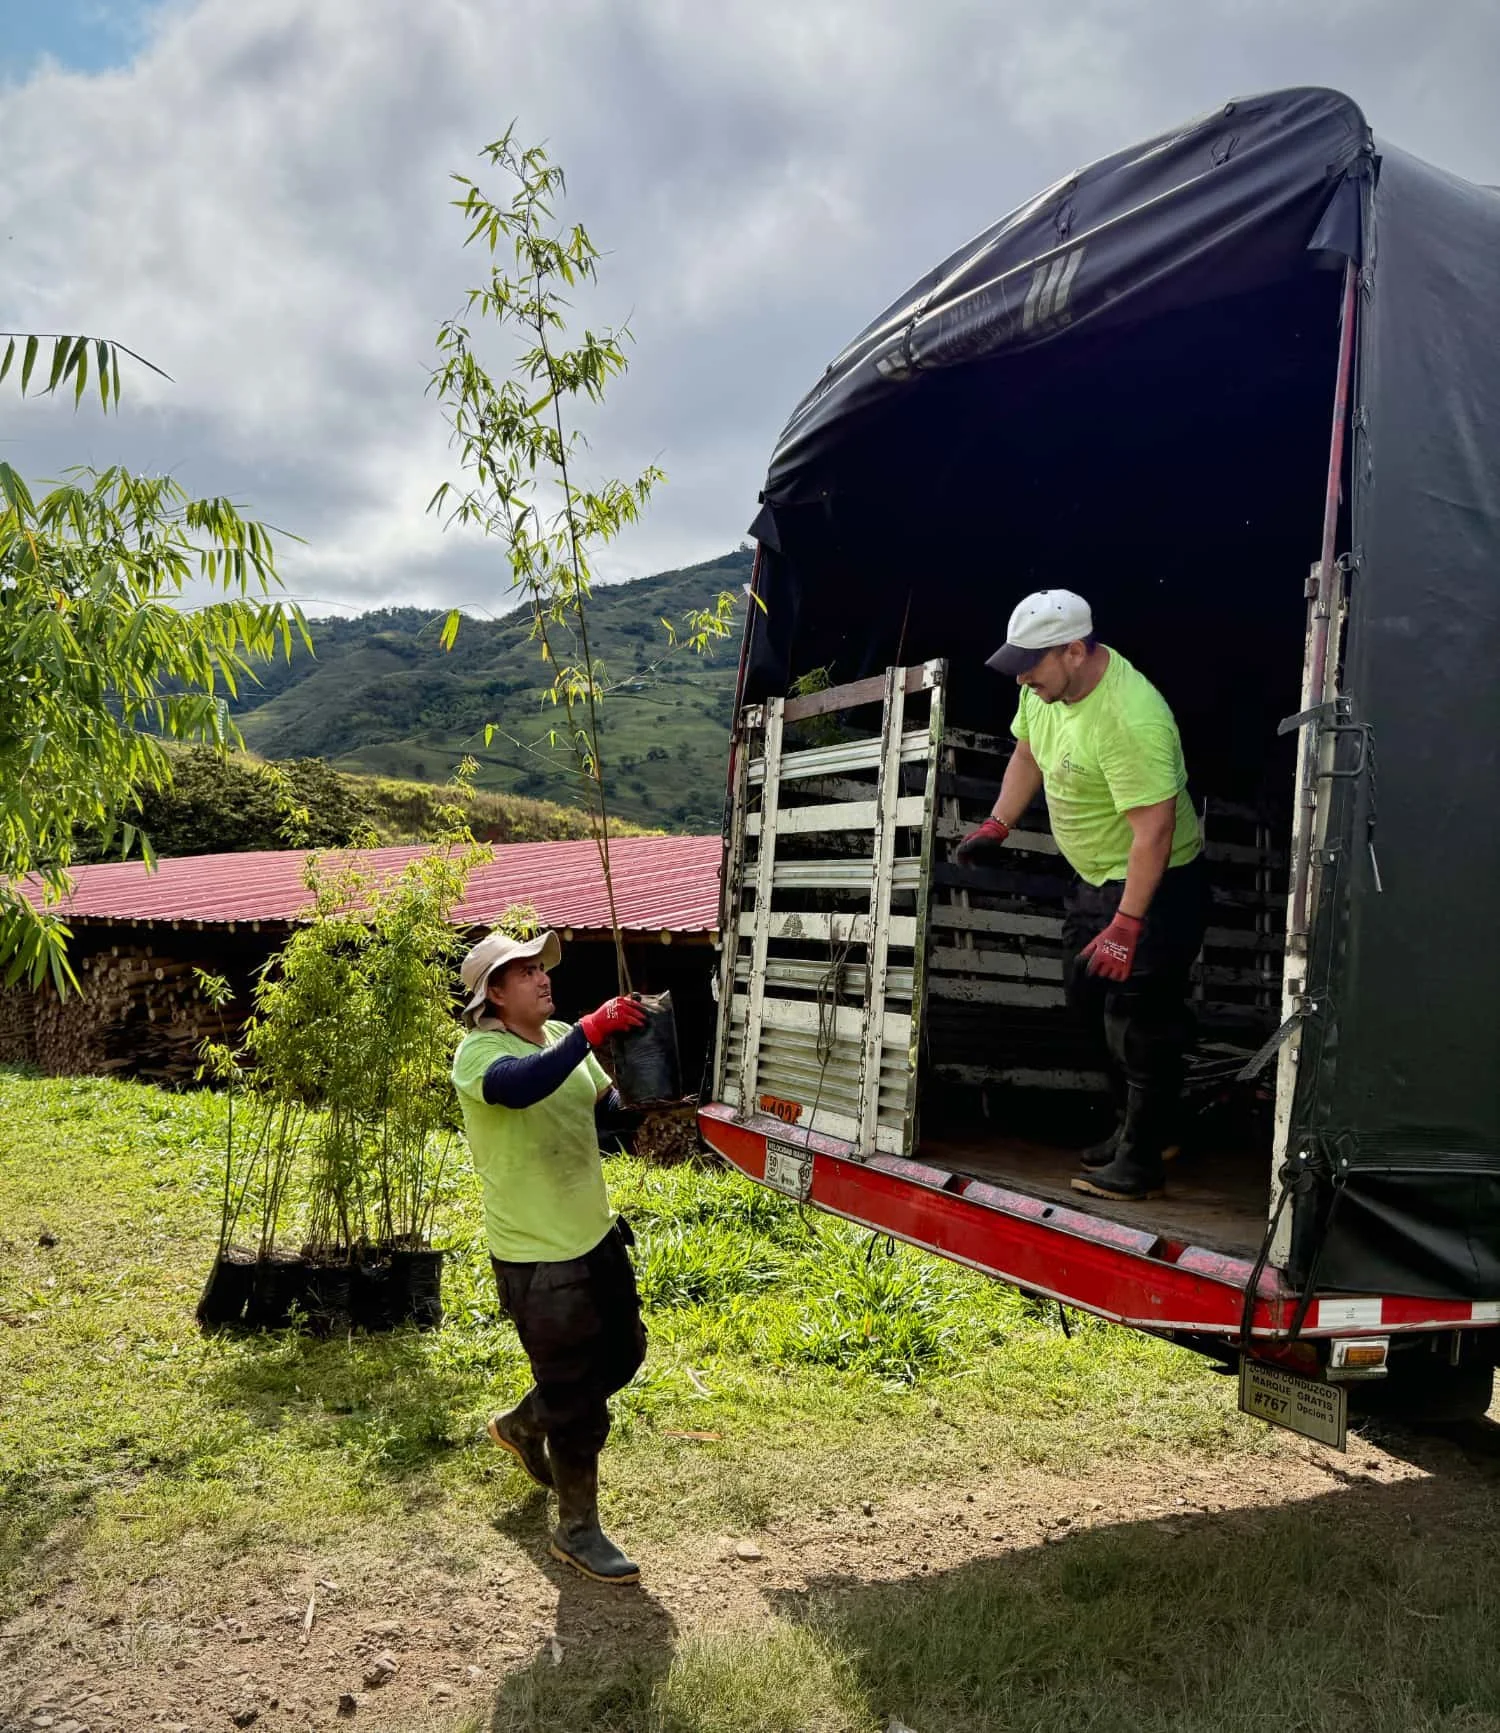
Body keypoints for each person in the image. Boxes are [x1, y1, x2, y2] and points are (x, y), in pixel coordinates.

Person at [956, 589, 1207, 1201]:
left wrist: (1126, 926)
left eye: (1030, 664)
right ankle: (1140, 1130)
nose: (1020, 678)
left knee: (1138, 1018)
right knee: (1087, 1000)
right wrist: (998, 823)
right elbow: (1027, 752)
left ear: (1073, 651)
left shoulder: (1132, 718)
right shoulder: (1043, 693)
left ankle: (1141, 1163)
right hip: (1093, 877)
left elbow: (1155, 831)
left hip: (1157, 884)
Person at [451, 927, 650, 1584]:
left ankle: (524, 1421)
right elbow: (521, 1087)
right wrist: (589, 1031)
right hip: (537, 1257)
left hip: (594, 1234)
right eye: (526, 971)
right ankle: (577, 1528)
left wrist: (650, 1094)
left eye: (543, 967)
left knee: (624, 1353)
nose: (543, 977)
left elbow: (606, 1113)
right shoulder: (480, 1053)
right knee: (578, 1398)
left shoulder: (563, 1037)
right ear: (496, 994)